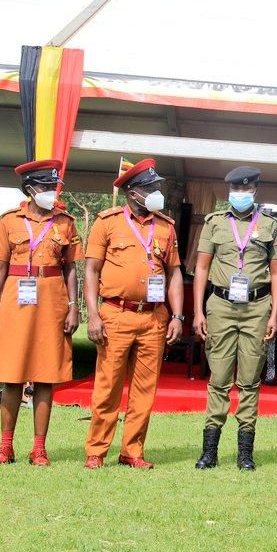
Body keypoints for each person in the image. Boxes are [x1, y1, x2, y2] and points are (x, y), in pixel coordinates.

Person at [83, 159, 184, 469]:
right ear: (133, 193)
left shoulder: (166, 226)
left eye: (157, 187)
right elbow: (91, 270)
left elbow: (175, 274)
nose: (156, 193)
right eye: (150, 188)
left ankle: (132, 451)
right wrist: (93, 314)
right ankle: (96, 450)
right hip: (116, 314)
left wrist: (177, 316)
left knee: (145, 389)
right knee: (108, 386)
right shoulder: (107, 222)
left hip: (154, 318)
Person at [0, 161, 82, 465]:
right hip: (15, 300)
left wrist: (74, 307)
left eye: (54, 186)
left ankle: (39, 448)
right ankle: (6, 446)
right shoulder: (9, 221)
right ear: (30, 189)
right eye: (46, 187)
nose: (52, 192)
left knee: (45, 375)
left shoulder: (65, 222)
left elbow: (71, 269)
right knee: (11, 375)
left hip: (52, 301)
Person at [192, 166, 277, 470]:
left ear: (255, 190)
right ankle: (209, 452)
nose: (240, 194)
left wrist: (275, 316)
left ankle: (245, 453)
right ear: (229, 191)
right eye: (235, 189)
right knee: (218, 378)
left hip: (257, 307)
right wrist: (198, 311)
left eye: (246, 189)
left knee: (250, 380)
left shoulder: (270, 225)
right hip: (221, 306)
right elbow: (202, 268)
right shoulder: (215, 222)